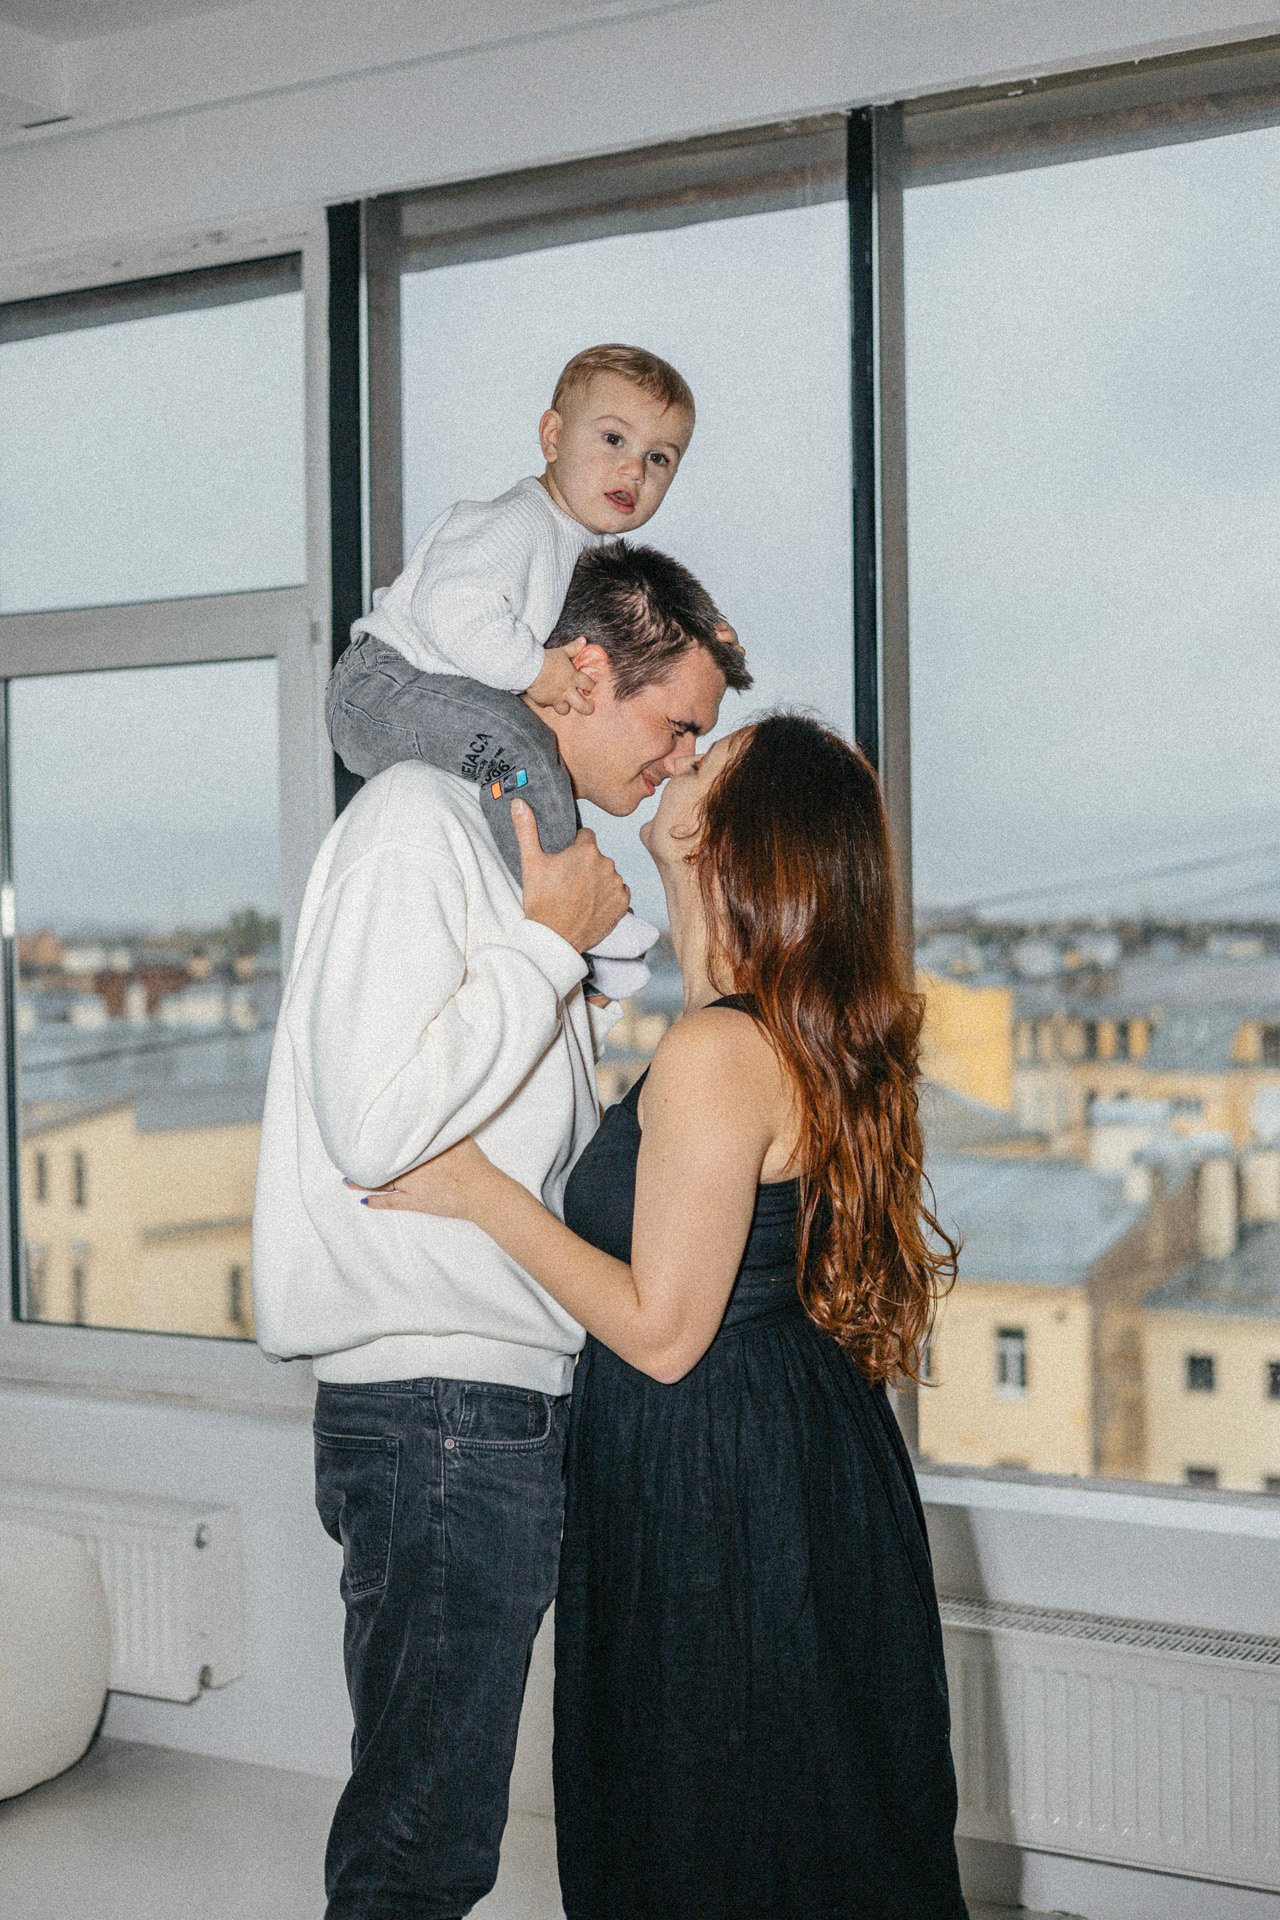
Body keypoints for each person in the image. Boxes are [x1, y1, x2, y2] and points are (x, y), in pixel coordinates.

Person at [360, 713, 971, 1920]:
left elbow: (658, 1328)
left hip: (721, 1468)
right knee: (800, 1806)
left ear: (735, 842)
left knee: (713, 1810)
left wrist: (476, 1188)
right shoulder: (779, 1033)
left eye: (708, 763)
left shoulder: (715, 1050)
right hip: (789, 1452)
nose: (676, 764)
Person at [251, 542, 751, 1920]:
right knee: (425, 1840)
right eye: (674, 723)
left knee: (436, 1824)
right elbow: (379, 1120)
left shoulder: (505, 844)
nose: (680, 758)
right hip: (439, 1410)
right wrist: (543, 950)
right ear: (585, 671)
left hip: (478, 1408)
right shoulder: (418, 815)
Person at [326, 341, 734, 1000]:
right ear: (552, 436)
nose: (634, 469)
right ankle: (571, 916)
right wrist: (531, 668)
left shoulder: (570, 542)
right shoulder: (520, 523)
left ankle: (577, 934)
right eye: (612, 439)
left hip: (424, 690)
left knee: (520, 764)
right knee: (522, 750)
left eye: (659, 459)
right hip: (385, 684)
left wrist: (704, 639)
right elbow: (447, 607)